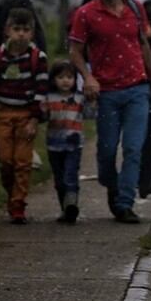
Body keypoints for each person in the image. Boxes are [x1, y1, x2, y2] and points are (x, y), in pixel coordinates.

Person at [68, 0, 151, 224]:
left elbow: (144, 45)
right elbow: (75, 51)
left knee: (133, 148)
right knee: (108, 151)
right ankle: (112, 186)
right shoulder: (86, 14)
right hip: (107, 92)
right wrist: (88, 77)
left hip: (137, 89)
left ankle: (125, 203)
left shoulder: (135, 7)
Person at [0, 7, 48, 224]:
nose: (21, 34)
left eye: (26, 30)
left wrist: (34, 120)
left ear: (32, 33)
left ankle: (18, 204)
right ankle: (12, 195)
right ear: (7, 30)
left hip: (26, 116)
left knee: (22, 162)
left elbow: (41, 90)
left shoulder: (37, 57)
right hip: (4, 114)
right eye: (17, 29)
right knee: (6, 161)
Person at [42, 60, 90, 224]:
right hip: (54, 144)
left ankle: (71, 204)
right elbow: (43, 117)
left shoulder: (79, 98)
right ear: (53, 79)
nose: (65, 81)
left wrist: (92, 101)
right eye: (61, 77)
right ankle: (65, 208)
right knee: (59, 177)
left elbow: (89, 114)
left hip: (73, 144)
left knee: (70, 174)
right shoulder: (49, 98)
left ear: (75, 80)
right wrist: (42, 111)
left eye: (69, 77)